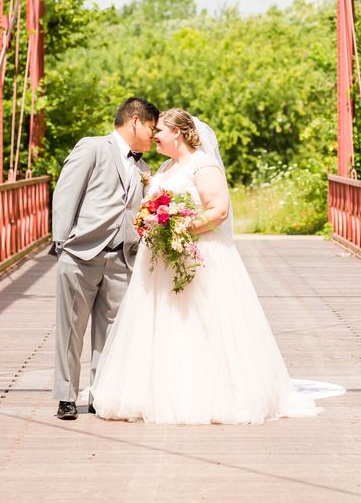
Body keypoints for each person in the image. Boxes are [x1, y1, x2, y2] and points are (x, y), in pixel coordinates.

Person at [88, 109, 344, 424]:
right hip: (161, 260)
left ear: (177, 133)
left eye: (161, 132)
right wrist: (149, 221)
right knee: (160, 325)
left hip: (197, 256)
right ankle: (157, 393)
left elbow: (219, 210)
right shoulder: (167, 167)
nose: (155, 136)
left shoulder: (203, 166)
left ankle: (207, 396)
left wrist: (178, 228)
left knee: (201, 323)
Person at [50, 96, 159, 420]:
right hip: (82, 252)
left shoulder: (143, 168)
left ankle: (102, 394)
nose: (153, 137)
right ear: (135, 122)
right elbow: (66, 192)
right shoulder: (93, 147)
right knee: (71, 329)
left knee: (112, 334)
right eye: (152, 129)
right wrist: (62, 242)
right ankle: (66, 397)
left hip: (122, 258)